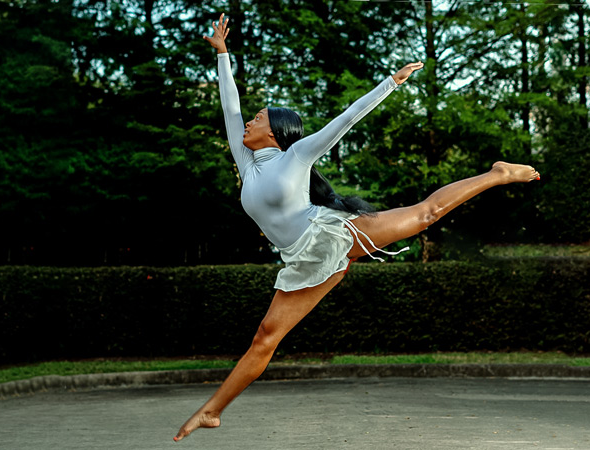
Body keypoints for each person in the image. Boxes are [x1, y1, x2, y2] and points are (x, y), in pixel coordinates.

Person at [174, 13, 540, 442]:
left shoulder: (297, 156)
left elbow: (347, 118)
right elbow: (229, 105)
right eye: (251, 118)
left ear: (275, 132)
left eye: (258, 117)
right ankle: (213, 411)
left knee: (424, 215)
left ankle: (497, 174)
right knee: (264, 339)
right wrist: (222, 55)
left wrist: (392, 81)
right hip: (302, 262)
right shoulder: (246, 160)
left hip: (332, 235)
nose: (249, 122)